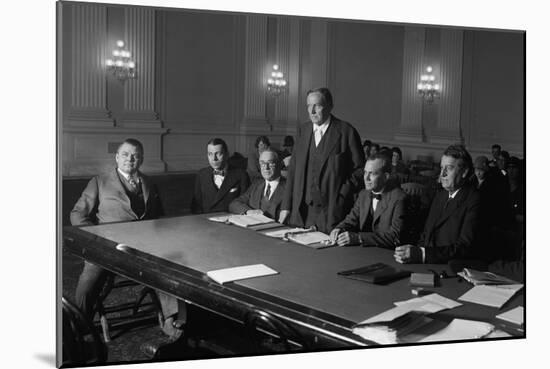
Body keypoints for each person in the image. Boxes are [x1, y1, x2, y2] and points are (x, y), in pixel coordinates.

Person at [70, 139, 183, 340]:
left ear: (141, 159)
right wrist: (95, 238)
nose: (130, 159)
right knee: (90, 277)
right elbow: (78, 213)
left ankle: (170, 319)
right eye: (125, 154)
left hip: (145, 247)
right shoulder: (100, 181)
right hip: (107, 247)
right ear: (117, 157)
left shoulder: (149, 183)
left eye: (136, 155)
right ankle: (76, 323)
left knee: (168, 266)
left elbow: (159, 217)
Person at [279, 87, 364, 233]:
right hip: (301, 210)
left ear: (330, 106)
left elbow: (360, 170)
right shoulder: (303, 131)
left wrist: (342, 194)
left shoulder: (346, 131)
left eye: (317, 106)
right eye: (308, 106)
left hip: (331, 210)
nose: (312, 111)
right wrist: (286, 206)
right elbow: (293, 170)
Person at [394, 144, 482, 264]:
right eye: (442, 168)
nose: (443, 174)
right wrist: (415, 252)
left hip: (451, 269)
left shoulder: (475, 199)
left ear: (464, 172)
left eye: (449, 168)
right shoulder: (441, 195)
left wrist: (422, 254)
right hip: (427, 264)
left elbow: (464, 248)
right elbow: (426, 234)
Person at [329, 153, 406, 248]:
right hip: (363, 253)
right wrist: (339, 229)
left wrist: (359, 238)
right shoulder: (363, 194)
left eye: (372, 174)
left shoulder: (399, 198)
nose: (366, 178)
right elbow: (350, 220)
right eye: (365, 172)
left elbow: (395, 237)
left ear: (386, 177)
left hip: (388, 255)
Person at [191, 138, 250, 214]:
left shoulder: (241, 175)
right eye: (210, 154)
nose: (214, 159)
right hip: (207, 221)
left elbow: (244, 204)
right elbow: (196, 206)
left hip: (231, 221)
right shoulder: (201, 174)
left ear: (227, 154)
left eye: (218, 154)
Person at [229, 149, 286, 220]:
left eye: (270, 163)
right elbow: (234, 204)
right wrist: (249, 212)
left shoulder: (289, 187)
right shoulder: (256, 184)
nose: (266, 167)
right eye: (262, 163)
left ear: (279, 164)